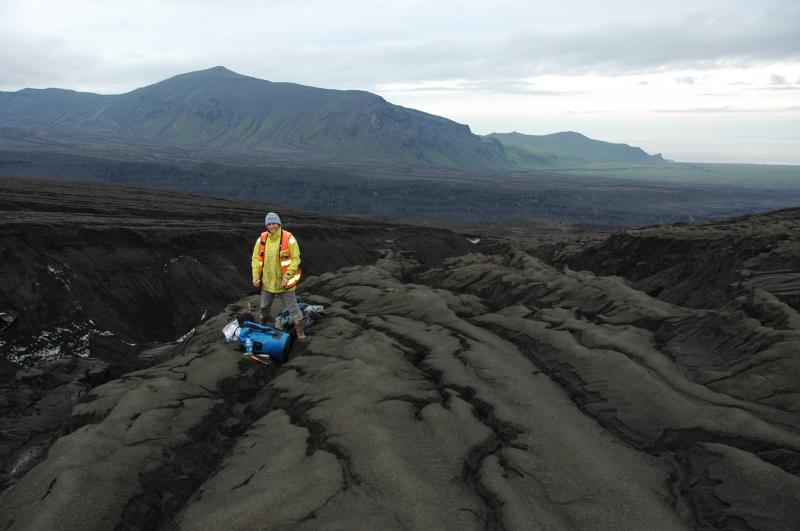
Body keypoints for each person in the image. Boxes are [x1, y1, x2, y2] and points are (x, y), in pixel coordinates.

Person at [251, 212, 306, 339]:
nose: (271, 226)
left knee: (294, 310)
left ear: (279, 223)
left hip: (284, 284)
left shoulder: (289, 239)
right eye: (269, 224)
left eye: (274, 223)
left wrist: (287, 275)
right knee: (264, 308)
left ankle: (301, 335)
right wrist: (255, 277)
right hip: (267, 283)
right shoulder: (262, 240)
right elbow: (255, 259)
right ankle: (262, 328)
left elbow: (296, 259)